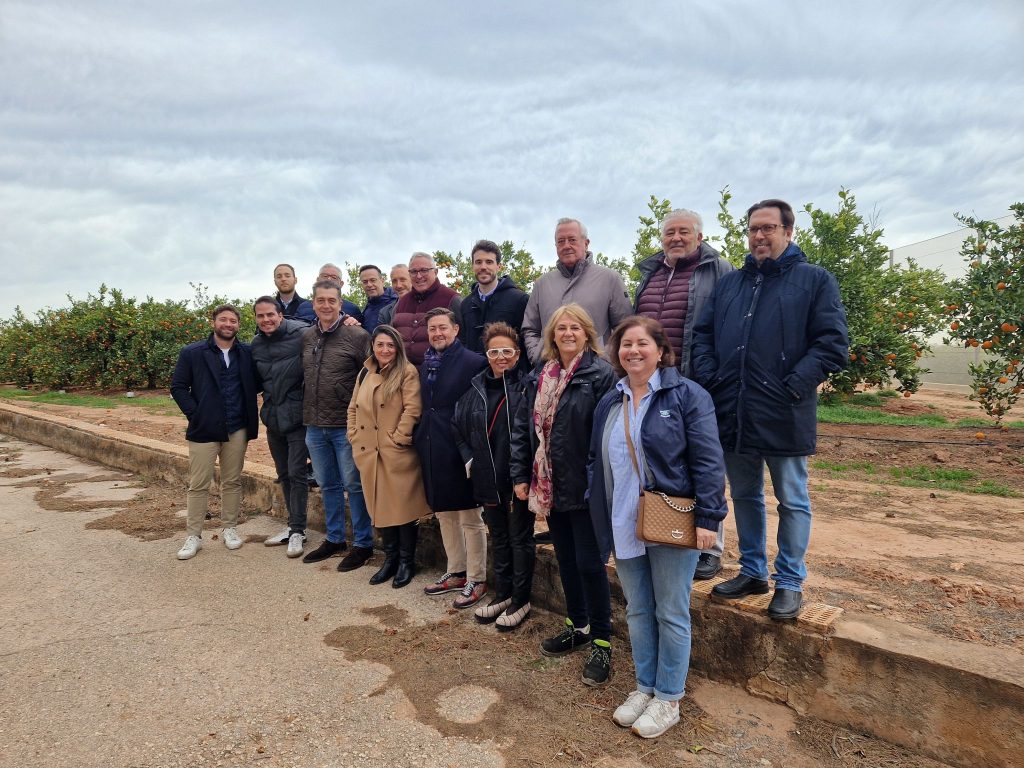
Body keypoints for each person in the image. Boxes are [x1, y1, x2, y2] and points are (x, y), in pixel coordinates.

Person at [691, 199, 849, 620]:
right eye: (753, 229)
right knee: (744, 495)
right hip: (734, 407)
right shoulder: (731, 284)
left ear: (788, 232)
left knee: (792, 499)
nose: (759, 236)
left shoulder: (814, 281)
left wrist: (793, 385)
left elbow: (832, 344)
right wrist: (711, 377)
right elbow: (702, 335)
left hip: (784, 409)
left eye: (768, 228)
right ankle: (753, 571)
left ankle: (790, 582)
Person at [589, 316, 728, 738]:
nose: (633, 351)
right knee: (637, 609)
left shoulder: (687, 395)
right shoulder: (610, 400)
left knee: (671, 611)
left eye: (642, 343)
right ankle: (644, 687)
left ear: (661, 350)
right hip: (623, 519)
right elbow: (596, 459)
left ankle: (668, 698)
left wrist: (709, 518)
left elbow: (708, 459)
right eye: (625, 344)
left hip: (671, 517)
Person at [511, 303, 617, 685]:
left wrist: (596, 483)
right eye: (561, 328)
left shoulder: (601, 374)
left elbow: (606, 435)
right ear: (552, 335)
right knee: (567, 561)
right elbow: (524, 429)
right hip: (550, 485)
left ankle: (602, 642)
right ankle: (578, 625)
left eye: (575, 327)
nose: (568, 333)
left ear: (587, 333)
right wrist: (520, 474)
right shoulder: (540, 375)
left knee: (590, 564)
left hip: (585, 487)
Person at [634, 208, 735, 581]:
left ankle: (710, 547)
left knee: (702, 460)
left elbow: (727, 324)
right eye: (669, 232)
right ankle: (663, 528)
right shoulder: (650, 274)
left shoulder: (718, 270)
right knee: (661, 460)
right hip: (653, 381)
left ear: (699, 236)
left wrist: (712, 374)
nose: (675, 238)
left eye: (683, 232)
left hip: (694, 381)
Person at [453, 322, 534, 631]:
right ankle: (504, 593)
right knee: (499, 539)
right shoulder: (475, 388)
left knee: (520, 539)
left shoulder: (527, 386)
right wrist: (470, 459)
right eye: (494, 351)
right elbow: (457, 424)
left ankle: (521, 599)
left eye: (507, 351)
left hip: (517, 478)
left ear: (517, 354)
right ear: (486, 354)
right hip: (487, 476)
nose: (501, 357)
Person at [171, 305, 259, 560]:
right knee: (198, 484)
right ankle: (194, 536)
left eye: (233, 320)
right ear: (213, 322)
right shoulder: (192, 352)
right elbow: (178, 387)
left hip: (237, 427)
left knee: (232, 481)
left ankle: (229, 528)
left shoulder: (247, 353)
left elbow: (256, 384)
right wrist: (196, 414)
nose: (228, 324)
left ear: (238, 325)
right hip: (204, 428)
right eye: (223, 319)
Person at [414, 308, 489, 608]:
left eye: (443, 327)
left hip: (461, 448)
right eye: (432, 329)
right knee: (444, 513)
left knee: (470, 516)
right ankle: (456, 571)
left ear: (455, 329)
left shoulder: (474, 362)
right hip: (432, 446)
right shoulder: (426, 364)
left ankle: (477, 578)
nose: (437, 333)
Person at [300, 279, 376, 572]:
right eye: (321, 300)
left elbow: (371, 377)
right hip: (314, 424)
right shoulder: (307, 336)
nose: (326, 305)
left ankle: (363, 544)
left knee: (354, 485)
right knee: (327, 484)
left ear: (340, 304)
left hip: (345, 425)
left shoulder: (357, 335)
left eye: (332, 300)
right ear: (313, 303)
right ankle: (334, 539)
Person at [347, 324, 430, 588]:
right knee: (379, 507)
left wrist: (399, 438)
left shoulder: (406, 371)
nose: (385, 350)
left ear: (398, 348)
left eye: (390, 345)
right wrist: (353, 434)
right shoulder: (365, 371)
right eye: (380, 344)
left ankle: (406, 561)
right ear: (373, 346)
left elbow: (413, 409)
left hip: (395, 453)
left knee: (403, 509)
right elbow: (353, 407)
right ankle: (390, 559)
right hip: (368, 451)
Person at [521, 218, 631, 363]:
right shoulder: (542, 284)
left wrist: (606, 360)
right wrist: (537, 355)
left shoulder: (610, 279)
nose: (566, 246)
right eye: (561, 241)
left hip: (597, 371)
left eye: (572, 240)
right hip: (549, 370)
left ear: (586, 243)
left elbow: (625, 327)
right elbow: (530, 328)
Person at [251, 297, 309, 558]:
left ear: (280, 315)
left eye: (270, 315)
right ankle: (292, 525)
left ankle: (298, 530)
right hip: (273, 417)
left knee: (297, 473)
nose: (266, 320)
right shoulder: (256, 344)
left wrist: (348, 320)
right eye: (260, 316)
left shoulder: (302, 334)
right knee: (283, 473)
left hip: (298, 417)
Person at [458, 239, 529, 368]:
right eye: (478, 262)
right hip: (473, 374)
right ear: (472, 266)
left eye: (489, 262)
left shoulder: (519, 300)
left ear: (499, 266)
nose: (483, 267)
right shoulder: (465, 304)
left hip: (508, 374)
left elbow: (526, 342)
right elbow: (463, 343)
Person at [391, 253, 463, 366]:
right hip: (404, 373)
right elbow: (391, 338)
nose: (419, 276)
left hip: (440, 371)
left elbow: (465, 340)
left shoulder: (452, 299)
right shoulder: (401, 303)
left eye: (424, 270)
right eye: (414, 271)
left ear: (435, 272)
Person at [316, 263, 365, 327]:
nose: (329, 279)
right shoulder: (304, 307)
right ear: (317, 280)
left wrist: (353, 323)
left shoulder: (353, 309)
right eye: (325, 276)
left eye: (334, 277)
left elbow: (359, 330)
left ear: (341, 284)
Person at [358, 264, 398, 332]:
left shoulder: (396, 303)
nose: (369, 285)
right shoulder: (366, 310)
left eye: (373, 280)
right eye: (365, 282)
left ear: (382, 281)